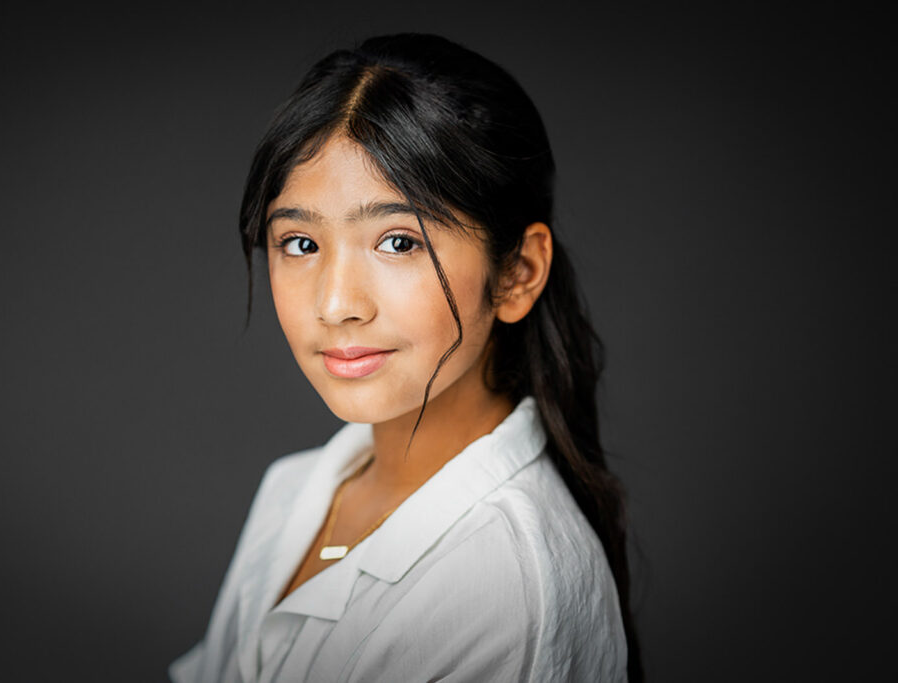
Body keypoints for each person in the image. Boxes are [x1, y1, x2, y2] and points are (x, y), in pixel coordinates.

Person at [171, 33, 641, 682]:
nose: (336, 303)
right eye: (300, 243)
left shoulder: (504, 586)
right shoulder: (297, 487)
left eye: (397, 241)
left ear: (518, 273)